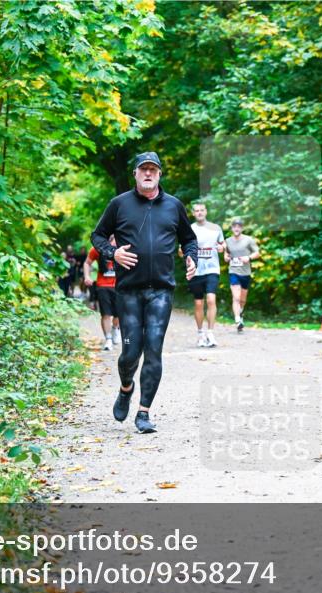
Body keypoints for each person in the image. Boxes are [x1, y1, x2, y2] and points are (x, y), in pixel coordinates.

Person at [91, 152, 198, 434]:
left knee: (153, 350)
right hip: (128, 291)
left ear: (160, 174)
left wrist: (192, 258)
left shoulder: (174, 205)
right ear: (136, 174)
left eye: (153, 169)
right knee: (130, 353)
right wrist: (113, 253)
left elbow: (189, 239)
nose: (148, 173)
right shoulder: (119, 204)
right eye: (143, 169)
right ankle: (126, 388)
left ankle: (144, 412)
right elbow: (97, 236)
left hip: (161, 290)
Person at [187, 202, 225, 347]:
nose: (200, 213)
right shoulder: (190, 229)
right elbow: (181, 249)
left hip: (212, 269)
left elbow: (223, 244)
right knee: (198, 303)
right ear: (193, 213)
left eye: (202, 210)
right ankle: (200, 334)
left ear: (206, 212)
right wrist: (185, 254)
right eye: (197, 211)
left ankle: (210, 333)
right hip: (196, 270)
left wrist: (221, 248)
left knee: (211, 299)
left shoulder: (215, 228)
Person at [223, 217, 260, 332]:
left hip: (245, 273)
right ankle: (238, 320)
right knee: (236, 297)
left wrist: (248, 258)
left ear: (242, 228)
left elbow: (257, 253)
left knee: (242, 300)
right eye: (234, 226)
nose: (236, 228)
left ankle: (240, 313)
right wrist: (226, 257)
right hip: (233, 271)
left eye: (239, 226)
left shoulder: (248, 240)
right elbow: (226, 255)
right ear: (231, 228)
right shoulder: (227, 241)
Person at [84, 234, 120, 350]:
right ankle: (108, 339)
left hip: (119, 286)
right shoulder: (98, 249)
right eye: (114, 241)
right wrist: (87, 276)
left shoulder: (123, 248)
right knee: (105, 314)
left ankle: (115, 329)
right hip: (103, 286)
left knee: (119, 314)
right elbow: (87, 263)